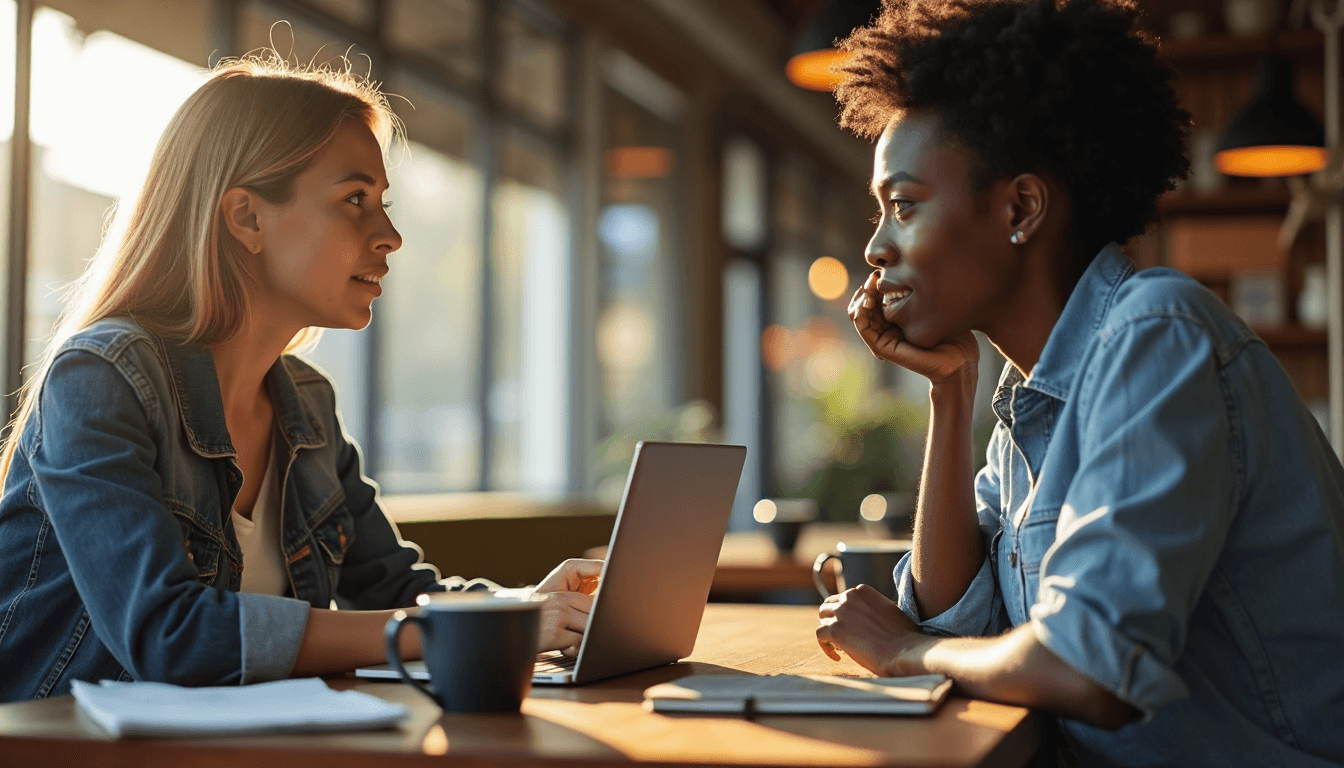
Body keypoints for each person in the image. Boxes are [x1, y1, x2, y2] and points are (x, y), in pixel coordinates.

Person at [814, 0, 1344, 765]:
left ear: (1021, 208)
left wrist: (901, 655)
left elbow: (1084, 666)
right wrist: (950, 391)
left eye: (902, 206)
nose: (875, 248)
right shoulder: (1032, 402)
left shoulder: (1159, 334)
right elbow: (955, 630)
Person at [0, 55, 599, 703]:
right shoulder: (101, 379)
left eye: (382, 204)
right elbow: (170, 635)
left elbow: (398, 592)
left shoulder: (305, 404)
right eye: (354, 200)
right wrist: (456, 629)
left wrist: (526, 608)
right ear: (247, 218)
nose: (391, 236)